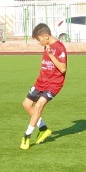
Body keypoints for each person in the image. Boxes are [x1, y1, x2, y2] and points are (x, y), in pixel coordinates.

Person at [21, 22, 67, 150]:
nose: (39, 42)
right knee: (26, 104)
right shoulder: (47, 45)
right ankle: (43, 128)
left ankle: (27, 136)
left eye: (39, 39)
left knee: (39, 105)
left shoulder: (59, 47)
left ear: (46, 36)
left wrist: (51, 55)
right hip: (41, 81)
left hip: (54, 83)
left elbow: (63, 69)